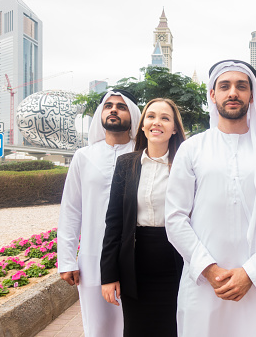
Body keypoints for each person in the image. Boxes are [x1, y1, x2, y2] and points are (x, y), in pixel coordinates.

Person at [164, 60, 256, 337]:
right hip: (203, 286)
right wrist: (209, 269)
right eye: (224, 86)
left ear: (252, 95)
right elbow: (176, 218)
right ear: (212, 95)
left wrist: (251, 273)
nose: (233, 93)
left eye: (241, 86)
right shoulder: (192, 150)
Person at [57, 89, 141, 337]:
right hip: (92, 258)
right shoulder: (84, 157)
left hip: (137, 257)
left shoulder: (144, 155)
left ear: (133, 116)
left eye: (121, 106)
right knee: (98, 328)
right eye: (108, 106)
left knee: (137, 324)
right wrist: (67, 259)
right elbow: (71, 209)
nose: (113, 110)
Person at [100, 98, 185, 336]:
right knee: (137, 329)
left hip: (176, 262)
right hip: (135, 266)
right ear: (143, 124)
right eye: (151, 116)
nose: (156, 122)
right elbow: (114, 223)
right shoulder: (126, 164)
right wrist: (108, 275)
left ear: (174, 128)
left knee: (175, 328)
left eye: (165, 118)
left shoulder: (185, 165)